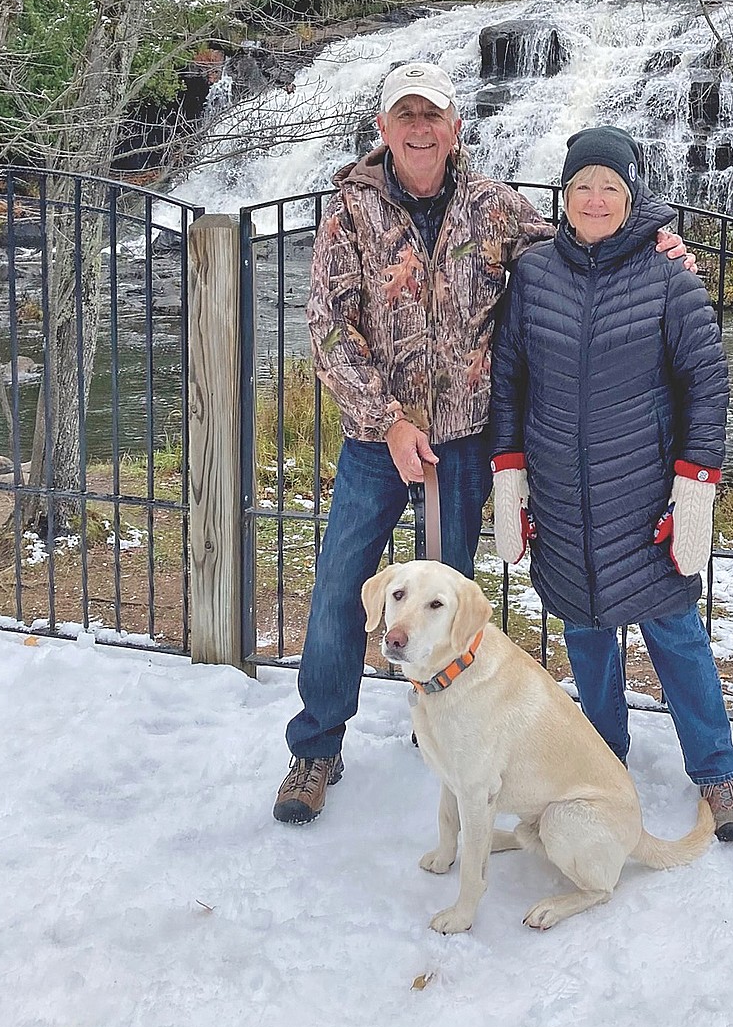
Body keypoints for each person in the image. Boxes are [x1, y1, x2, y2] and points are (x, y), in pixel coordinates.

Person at [275, 66, 691, 824]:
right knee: (342, 591)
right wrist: (389, 418)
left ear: (455, 125)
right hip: (378, 441)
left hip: (465, 444)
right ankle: (315, 747)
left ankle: (441, 727)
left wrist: (655, 246)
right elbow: (327, 326)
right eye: (406, 115)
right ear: (384, 129)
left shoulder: (496, 207)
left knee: (450, 597)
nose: (420, 128)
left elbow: (582, 249)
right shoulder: (350, 210)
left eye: (432, 114)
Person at [489, 125, 733, 842]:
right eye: (582, 185)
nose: (596, 197)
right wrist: (508, 474)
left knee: (676, 633)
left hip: (643, 497)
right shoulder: (534, 275)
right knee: (587, 634)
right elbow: (508, 379)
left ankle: (717, 772)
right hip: (563, 498)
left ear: (633, 196)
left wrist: (695, 487)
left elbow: (708, 383)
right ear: (564, 196)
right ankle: (599, 762)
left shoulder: (671, 277)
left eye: (610, 185)